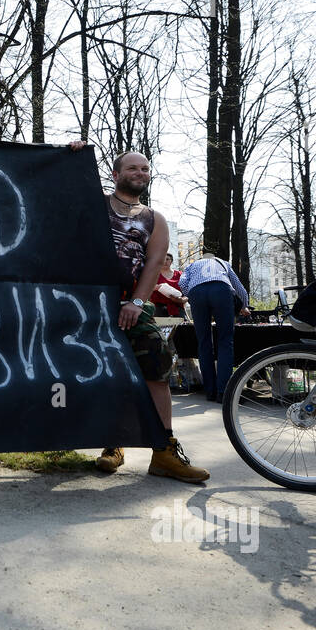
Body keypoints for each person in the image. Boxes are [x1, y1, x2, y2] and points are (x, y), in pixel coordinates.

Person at [71, 143, 209, 483]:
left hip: (133, 307)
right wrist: (71, 157)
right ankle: (113, 443)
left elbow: (152, 265)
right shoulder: (95, 204)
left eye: (145, 169)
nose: (140, 173)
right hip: (90, 305)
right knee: (106, 373)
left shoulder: (154, 219)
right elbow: (61, 196)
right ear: (116, 174)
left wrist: (136, 302)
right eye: (133, 168)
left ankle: (163, 452)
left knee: (156, 371)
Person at [178, 247, 250, 401]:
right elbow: (240, 288)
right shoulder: (223, 263)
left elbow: (181, 282)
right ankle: (224, 391)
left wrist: (192, 295)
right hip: (221, 291)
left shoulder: (192, 265)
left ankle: (209, 391)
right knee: (225, 341)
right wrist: (244, 306)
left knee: (203, 342)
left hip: (196, 292)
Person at [150, 253, 186, 317]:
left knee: (180, 327)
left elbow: (188, 292)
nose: (164, 261)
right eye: (162, 259)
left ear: (171, 261)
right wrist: (158, 287)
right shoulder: (154, 274)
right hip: (158, 309)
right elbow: (146, 288)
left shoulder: (180, 274)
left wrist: (182, 300)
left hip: (177, 308)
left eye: (167, 259)